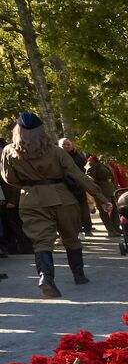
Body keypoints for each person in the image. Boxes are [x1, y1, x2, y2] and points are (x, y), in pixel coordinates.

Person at [0, 112, 112, 298]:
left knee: (41, 241)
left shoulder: (8, 151)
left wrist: (29, 185)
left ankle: (46, 277)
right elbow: (78, 175)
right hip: (62, 198)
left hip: (31, 199)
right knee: (71, 237)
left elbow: (8, 178)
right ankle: (79, 275)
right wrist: (101, 197)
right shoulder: (56, 151)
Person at [57, 138, 95, 235]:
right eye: (63, 145)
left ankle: (87, 228)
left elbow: (84, 170)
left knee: (83, 208)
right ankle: (75, 230)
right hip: (64, 187)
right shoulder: (56, 157)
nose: (66, 146)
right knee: (70, 211)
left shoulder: (78, 156)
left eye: (68, 144)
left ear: (71, 145)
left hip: (78, 186)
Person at [84, 152, 119, 237]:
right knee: (104, 210)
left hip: (110, 188)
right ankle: (110, 230)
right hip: (101, 190)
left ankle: (116, 228)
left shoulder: (103, 161)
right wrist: (96, 190)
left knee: (114, 208)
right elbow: (90, 178)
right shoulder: (92, 162)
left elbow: (111, 175)